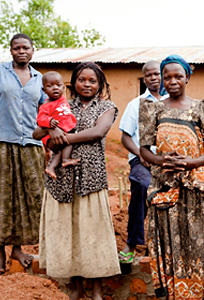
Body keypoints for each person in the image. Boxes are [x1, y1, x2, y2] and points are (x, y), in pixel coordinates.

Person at [139, 54, 204, 299]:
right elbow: (144, 148)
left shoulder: (200, 107)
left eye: (178, 76)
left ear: (188, 77)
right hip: (164, 187)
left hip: (195, 188)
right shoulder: (153, 108)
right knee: (167, 243)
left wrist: (192, 162)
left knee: (197, 244)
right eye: (167, 77)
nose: (172, 81)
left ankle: (199, 293)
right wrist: (160, 160)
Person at [34, 62, 120, 300]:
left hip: (91, 178)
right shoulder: (61, 104)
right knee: (68, 232)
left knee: (93, 234)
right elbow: (38, 132)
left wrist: (64, 137)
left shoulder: (107, 106)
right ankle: (76, 287)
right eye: (82, 80)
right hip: (60, 180)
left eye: (93, 81)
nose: (87, 84)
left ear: (100, 85)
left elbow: (97, 132)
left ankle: (96, 289)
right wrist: (51, 130)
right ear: (73, 82)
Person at [0, 33, 47, 273]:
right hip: (2, 142)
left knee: (27, 196)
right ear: (10, 51)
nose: (21, 51)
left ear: (32, 50)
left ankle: (17, 248)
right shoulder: (1, 72)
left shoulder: (39, 79)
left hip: (31, 145)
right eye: (16, 48)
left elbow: (47, 110)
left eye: (25, 47)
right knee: (2, 196)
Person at [118, 60, 168, 262]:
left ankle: (162, 245)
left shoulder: (172, 102)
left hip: (167, 161)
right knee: (141, 184)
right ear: (144, 79)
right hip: (142, 160)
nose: (154, 78)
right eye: (149, 75)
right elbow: (125, 138)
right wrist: (141, 154)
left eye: (157, 74)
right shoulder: (136, 104)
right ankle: (133, 242)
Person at [37, 71, 79, 180]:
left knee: (61, 149)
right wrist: (49, 121)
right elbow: (40, 119)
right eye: (50, 86)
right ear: (44, 90)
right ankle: (65, 160)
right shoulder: (46, 105)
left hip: (66, 128)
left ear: (63, 88)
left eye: (58, 85)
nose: (55, 88)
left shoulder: (62, 99)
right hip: (55, 133)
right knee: (68, 142)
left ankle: (51, 167)